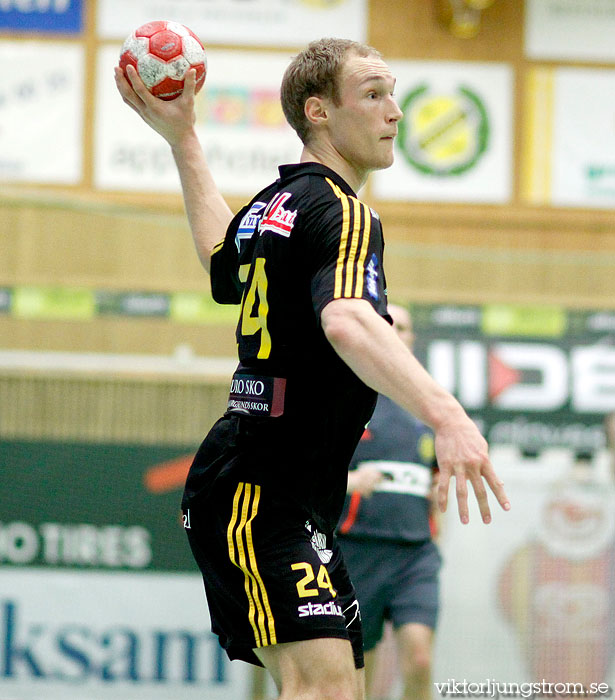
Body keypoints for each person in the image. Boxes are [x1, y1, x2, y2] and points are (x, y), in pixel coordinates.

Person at [114, 37, 510, 700]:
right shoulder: (346, 213)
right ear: (318, 111)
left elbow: (220, 258)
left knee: (333, 691)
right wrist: (448, 415)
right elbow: (347, 319)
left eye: (394, 93)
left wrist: (183, 139)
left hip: (276, 490)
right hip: (261, 490)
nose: (395, 113)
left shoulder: (280, 204)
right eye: (374, 94)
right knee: (322, 690)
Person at [337, 304, 440, 700]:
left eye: (407, 328)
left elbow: (435, 481)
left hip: (415, 554)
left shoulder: (430, 405)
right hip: (357, 553)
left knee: (419, 659)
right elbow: (302, 472)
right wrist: (351, 482)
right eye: (389, 326)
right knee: (358, 673)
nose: (399, 334)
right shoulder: (347, 398)